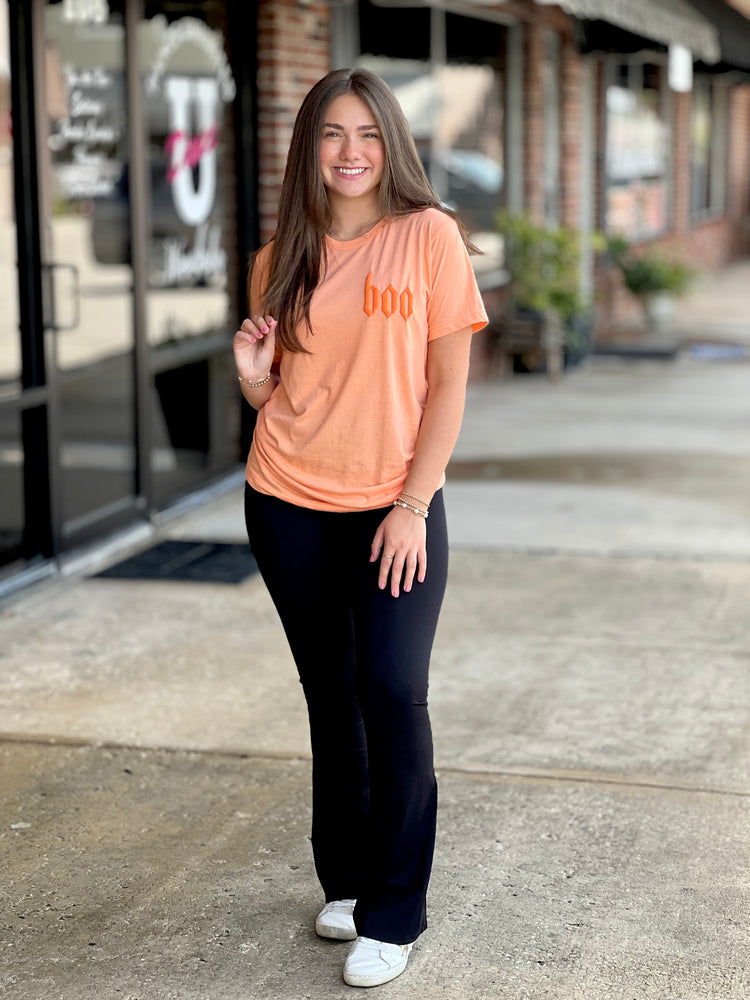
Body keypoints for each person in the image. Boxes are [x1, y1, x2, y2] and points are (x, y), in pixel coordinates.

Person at [234, 67, 487, 989]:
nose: (351, 153)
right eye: (333, 134)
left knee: (391, 691)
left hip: (395, 506)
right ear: (310, 147)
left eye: (368, 134)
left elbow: (450, 385)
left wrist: (413, 506)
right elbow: (281, 398)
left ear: (393, 144)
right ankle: (344, 882)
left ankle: (395, 909)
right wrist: (255, 378)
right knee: (331, 697)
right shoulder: (278, 259)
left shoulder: (429, 238)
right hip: (287, 500)